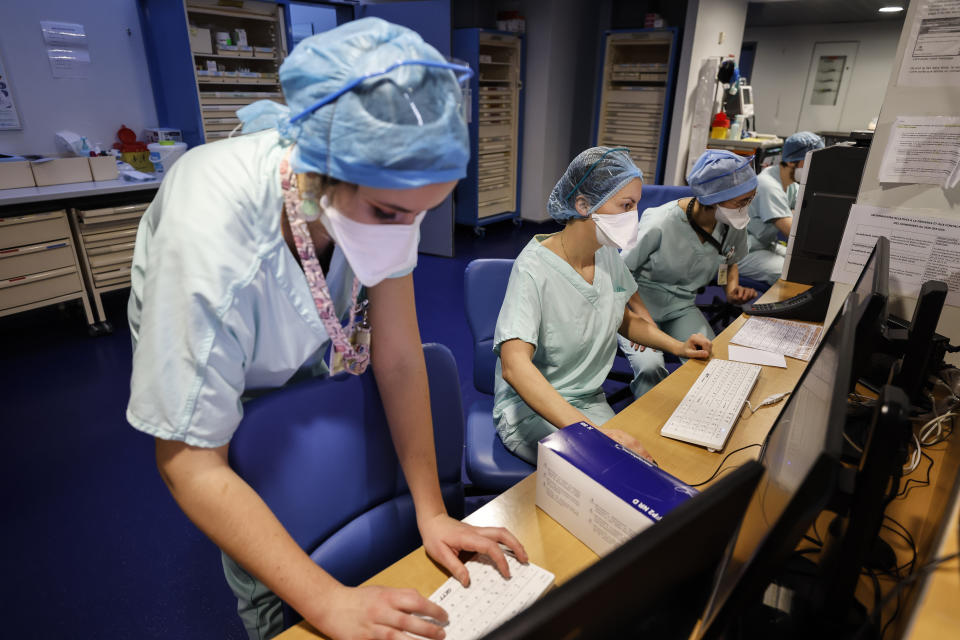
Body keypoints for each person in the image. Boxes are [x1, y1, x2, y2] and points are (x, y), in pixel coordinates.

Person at [126, 19, 526, 640]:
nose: (402, 234)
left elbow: (396, 357)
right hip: (210, 327)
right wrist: (325, 602)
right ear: (316, 173)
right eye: (390, 215)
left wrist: (433, 512)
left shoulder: (386, 187)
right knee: (259, 509)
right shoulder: (209, 241)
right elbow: (187, 461)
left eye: (418, 215)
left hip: (305, 297)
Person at [492, 147, 712, 465]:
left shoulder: (605, 251)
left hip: (588, 400)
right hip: (531, 409)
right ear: (584, 205)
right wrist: (590, 432)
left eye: (636, 205)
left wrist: (678, 346)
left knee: (643, 462)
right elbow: (515, 367)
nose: (634, 216)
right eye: (626, 205)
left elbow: (620, 317)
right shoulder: (533, 269)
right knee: (611, 470)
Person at [618, 149, 758, 399]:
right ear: (714, 199)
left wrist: (732, 290)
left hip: (681, 305)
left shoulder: (731, 223)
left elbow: (731, 257)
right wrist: (643, 318)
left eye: (750, 200)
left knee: (708, 358)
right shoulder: (661, 222)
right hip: (637, 305)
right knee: (650, 367)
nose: (745, 209)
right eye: (741, 202)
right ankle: (649, 426)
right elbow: (620, 272)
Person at [738, 131, 824, 284]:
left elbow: (807, 213)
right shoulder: (768, 185)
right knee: (796, 272)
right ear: (792, 162)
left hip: (763, 244)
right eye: (810, 163)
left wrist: (791, 215)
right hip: (741, 252)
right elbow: (792, 230)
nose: (815, 169)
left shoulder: (788, 183)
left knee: (810, 264)